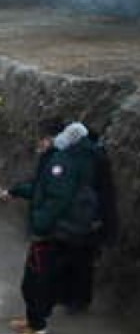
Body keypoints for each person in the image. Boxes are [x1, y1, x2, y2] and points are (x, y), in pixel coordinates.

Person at [0, 119, 97, 334]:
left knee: (36, 282)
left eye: (40, 140)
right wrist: (15, 191)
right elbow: (42, 189)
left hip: (52, 235)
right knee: (35, 280)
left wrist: (39, 225)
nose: (38, 145)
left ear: (50, 139)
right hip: (54, 233)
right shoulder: (57, 160)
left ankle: (36, 333)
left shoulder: (60, 163)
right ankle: (33, 322)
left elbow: (57, 199)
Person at [57, 128, 118, 312]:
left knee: (78, 258)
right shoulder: (98, 158)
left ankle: (74, 299)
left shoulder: (88, 160)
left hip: (85, 217)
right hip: (91, 218)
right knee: (83, 259)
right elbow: (107, 193)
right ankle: (77, 299)